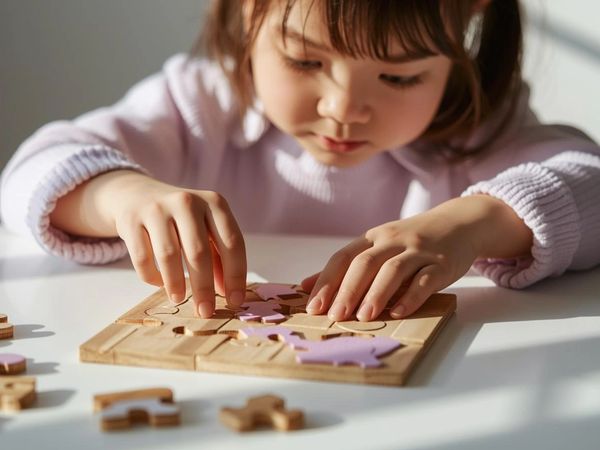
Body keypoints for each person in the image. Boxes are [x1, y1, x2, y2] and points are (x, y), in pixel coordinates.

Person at [2, 0, 599, 323]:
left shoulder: (478, 129)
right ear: (244, 12)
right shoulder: (198, 103)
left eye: (398, 75)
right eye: (305, 62)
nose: (344, 109)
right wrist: (120, 196)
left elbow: (590, 182)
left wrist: (471, 224)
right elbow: (33, 171)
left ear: (471, 15)